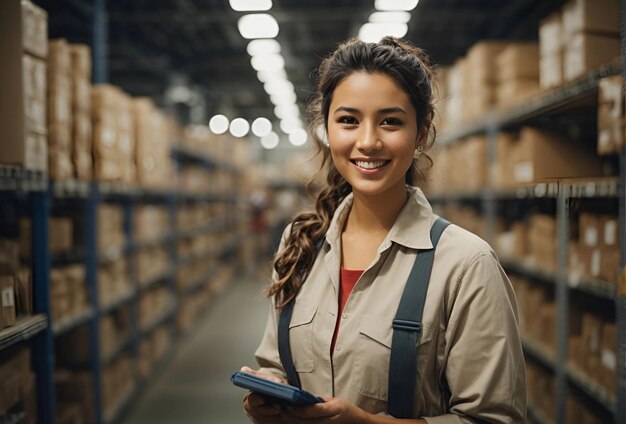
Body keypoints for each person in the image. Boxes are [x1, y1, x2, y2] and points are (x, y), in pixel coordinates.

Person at [241, 36, 526, 423]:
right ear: (326, 128)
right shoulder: (300, 243)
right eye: (348, 120)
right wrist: (269, 392)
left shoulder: (465, 264)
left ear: (422, 132)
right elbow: (277, 361)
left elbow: (494, 419)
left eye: (390, 121)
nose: (368, 141)